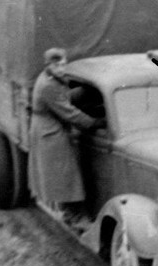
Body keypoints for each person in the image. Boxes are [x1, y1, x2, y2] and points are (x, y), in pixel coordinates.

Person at [28, 48, 105, 229]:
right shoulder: (47, 85)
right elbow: (69, 113)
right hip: (50, 132)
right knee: (64, 174)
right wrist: (95, 122)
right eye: (57, 65)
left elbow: (63, 98)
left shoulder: (50, 78)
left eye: (64, 64)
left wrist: (85, 93)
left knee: (63, 174)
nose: (62, 68)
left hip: (50, 124)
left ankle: (71, 212)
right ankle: (74, 216)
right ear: (49, 66)